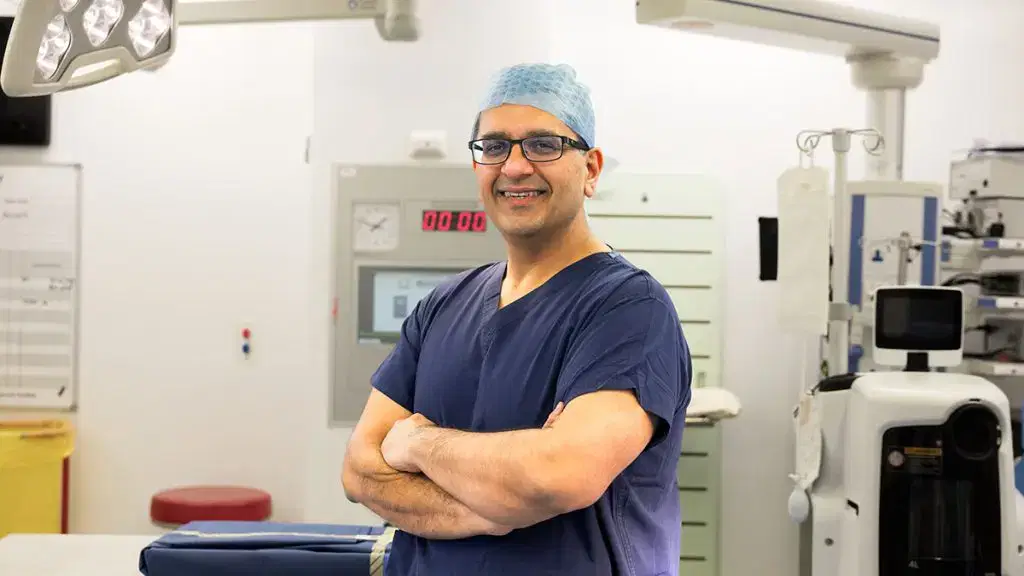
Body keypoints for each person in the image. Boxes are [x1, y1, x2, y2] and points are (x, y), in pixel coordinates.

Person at [341, 62, 692, 576]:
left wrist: (417, 443)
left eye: (544, 145)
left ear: (591, 169)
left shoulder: (628, 308)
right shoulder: (443, 305)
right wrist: (488, 510)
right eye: (494, 147)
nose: (515, 167)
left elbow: (559, 475)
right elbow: (360, 470)